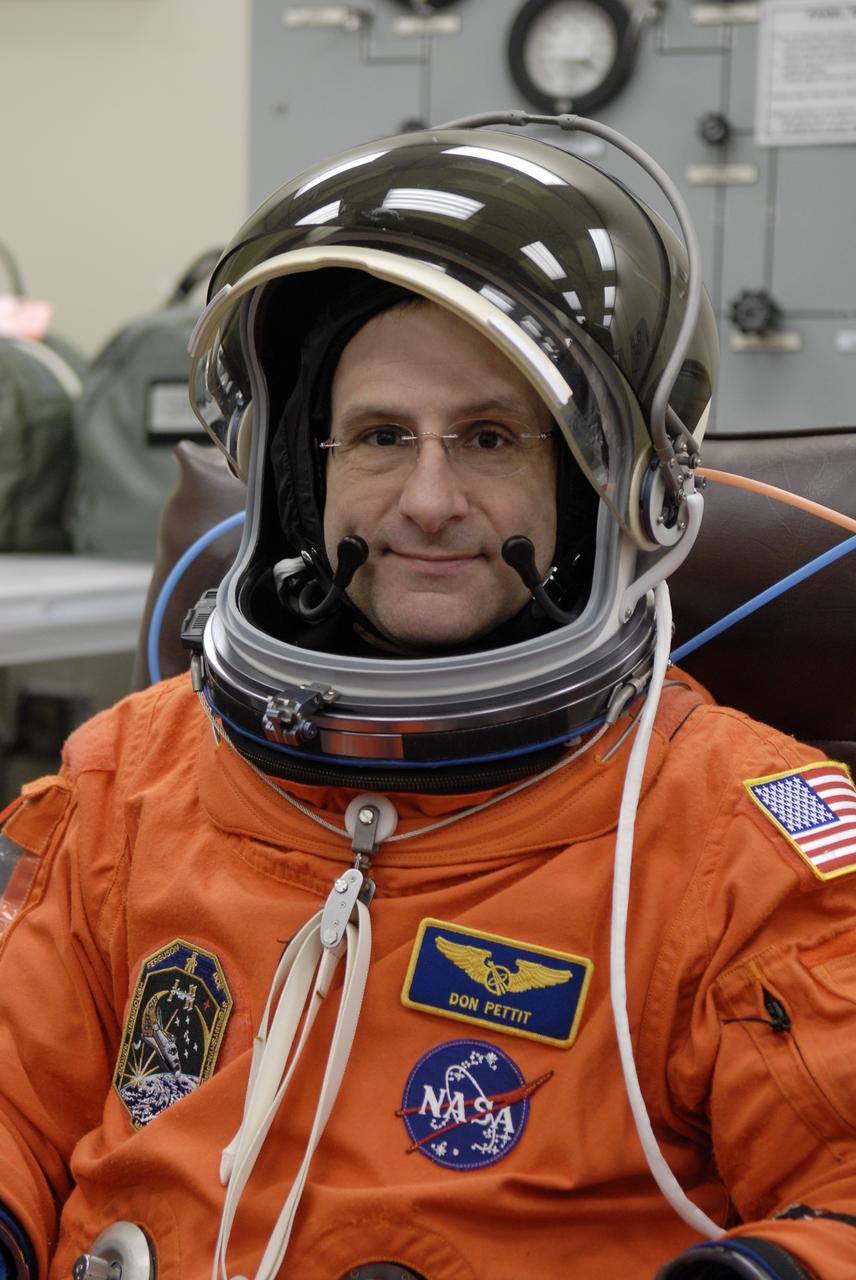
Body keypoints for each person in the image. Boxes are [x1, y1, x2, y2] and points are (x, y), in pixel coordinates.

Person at [1, 113, 856, 1280]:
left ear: (602, 486)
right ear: (308, 479)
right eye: (379, 436)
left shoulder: (736, 837)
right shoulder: (124, 782)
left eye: (492, 437)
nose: (428, 497)